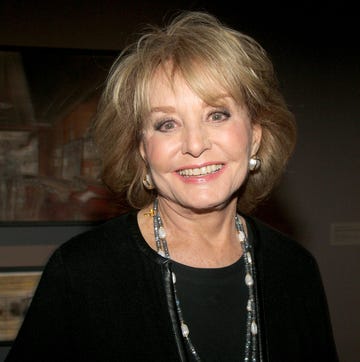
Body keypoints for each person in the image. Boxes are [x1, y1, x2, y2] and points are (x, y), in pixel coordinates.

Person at [5, 10, 339, 362]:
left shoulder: (295, 269)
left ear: (255, 136)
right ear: (141, 150)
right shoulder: (81, 273)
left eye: (217, 115)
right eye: (167, 124)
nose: (195, 145)